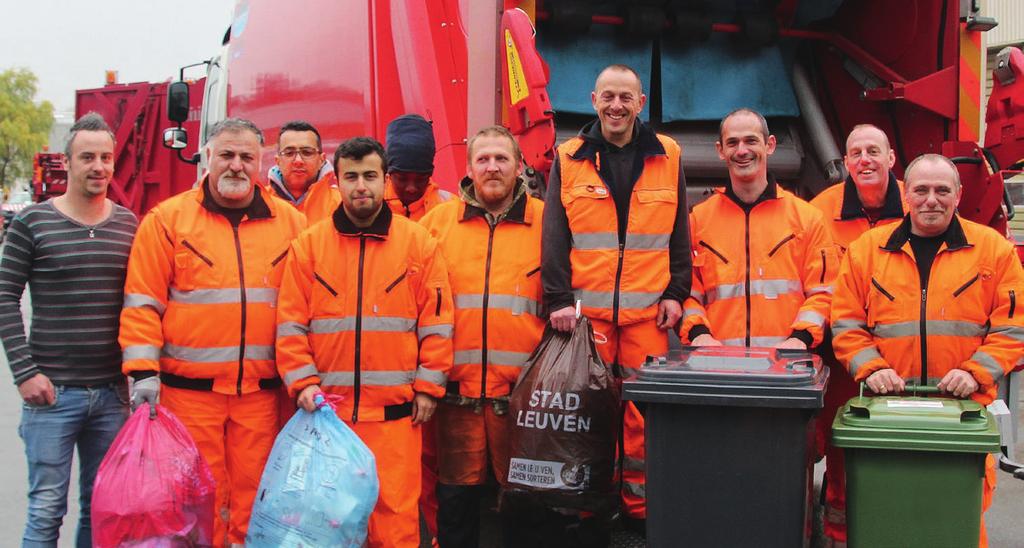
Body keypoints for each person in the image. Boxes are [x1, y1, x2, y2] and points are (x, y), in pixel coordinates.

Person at [119, 118, 306, 546]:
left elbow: (306, 307)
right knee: (196, 504)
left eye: (246, 157)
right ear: (207, 158)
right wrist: (143, 372)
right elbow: (143, 303)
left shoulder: (292, 226)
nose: (236, 166)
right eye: (226, 155)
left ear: (261, 163)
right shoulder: (167, 222)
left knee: (254, 500)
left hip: (259, 398)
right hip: (189, 398)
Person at [831, 153, 1024, 548]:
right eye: (920, 190)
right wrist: (870, 368)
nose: (930, 200)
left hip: (963, 416)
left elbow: (1013, 325)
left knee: (956, 524)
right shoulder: (867, 250)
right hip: (887, 417)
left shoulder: (993, 251)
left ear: (959, 195)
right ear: (906, 197)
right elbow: (846, 322)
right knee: (887, 520)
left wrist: (975, 372)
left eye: (942, 190)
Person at [275, 137, 454, 548]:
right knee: (328, 523)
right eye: (351, 176)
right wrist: (303, 383)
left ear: (384, 180)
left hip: (395, 418)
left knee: (394, 523)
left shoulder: (418, 244)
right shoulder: (309, 247)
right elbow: (290, 323)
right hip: (328, 417)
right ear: (336, 182)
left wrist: (429, 386)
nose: (361, 186)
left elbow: (438, 321)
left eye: (370, 176)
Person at [542, 64, 691, 530]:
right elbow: (554, 234)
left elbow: (679, 231)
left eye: (626, 97)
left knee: (644, 417)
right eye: (608, 96)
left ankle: (639, 512)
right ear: (593, 99)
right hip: (588, 317)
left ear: (641, 103)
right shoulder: (569, 157)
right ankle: (588, 505)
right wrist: (558, 299)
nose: (616, 105)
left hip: (649, 314)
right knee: (588, 413)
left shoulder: (668, 153)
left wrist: (676, 292)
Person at [0, 112, 138, 548]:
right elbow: (5, 297)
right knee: (45, 510)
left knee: (101, 509)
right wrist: (25, 373)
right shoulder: (33, 223)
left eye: (106, 157)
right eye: (87, 157)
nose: (98, 166)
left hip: (113, 394)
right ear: (68, 162)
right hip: (52, 394)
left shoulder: (129, 225)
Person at [420, 126, 545, 548]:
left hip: (523, 400)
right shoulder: (435, 226)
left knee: (525, 509)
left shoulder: (548, 225)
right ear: (469, 167)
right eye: (483, 159)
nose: (492, 167)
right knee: (455, 505)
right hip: (456, 397)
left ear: (520, 167)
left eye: (502, 159)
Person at [809, 123, 905, 547]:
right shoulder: (821, 211)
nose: (864, 160)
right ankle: (837, 532)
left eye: (873, 151)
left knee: (898, 449)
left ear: (890, 158)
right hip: (841, 354)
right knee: (841, 444)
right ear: (845, 162)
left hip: (902, 354)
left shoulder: (919, 201)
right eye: (855, 154)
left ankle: (892, 528)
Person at [682, 108, 835, 350]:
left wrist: (800, 339)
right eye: (732, 143)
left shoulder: (808, 219)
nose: (742, 151)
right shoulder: (698, 221)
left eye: (751, 141)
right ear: (720, 151)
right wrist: (698, 333)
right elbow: (686, 292)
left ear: (770, 145)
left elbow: (825, 293)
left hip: (786, 367)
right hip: (717, 365)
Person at [382, 113, 453, 540]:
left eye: (420, 177)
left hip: (427, 364)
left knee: (434, 468)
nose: (410, 186)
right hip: (386, 367)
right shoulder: (368, 204)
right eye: (401, 177)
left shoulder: (445, 209)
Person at [267, 120, 340, 225]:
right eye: (289, 153)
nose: (298, 161)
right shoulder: (260, 203)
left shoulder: (341, 205)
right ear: (277, 161)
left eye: (307, 152)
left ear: (322, 160)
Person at [384, 114, 454, 221]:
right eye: (402, 178)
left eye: (421, 179)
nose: (411, 188)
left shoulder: (452, 209)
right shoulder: (369, 207)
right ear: (388, 175)